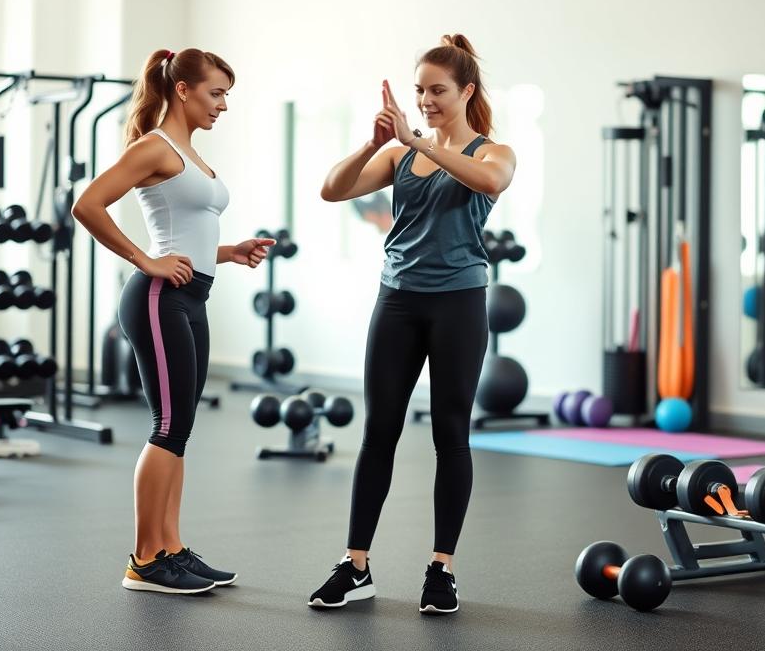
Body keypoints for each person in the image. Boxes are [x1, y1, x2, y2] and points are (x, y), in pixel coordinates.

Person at [310, 34, 516, 614]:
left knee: (451, 434)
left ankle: (441, 568)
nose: (425, 99)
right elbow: (332, 189)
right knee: (380, 432)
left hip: (458, 304)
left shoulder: (492, 151)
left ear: (466, 91)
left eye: (438, 90)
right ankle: (356, 566)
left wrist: (417, 139)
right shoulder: (402, 154)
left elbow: (490, 183)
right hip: (397, 301)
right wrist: (374, 144)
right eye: (419, 89)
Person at [73, 48, 273, 595]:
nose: (223, 105)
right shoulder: (153, 148)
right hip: (159, 297)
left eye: (226, 94)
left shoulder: (187, 152)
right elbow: (88, 205)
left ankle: (171, 549)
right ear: (182, 90)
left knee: (179, 426)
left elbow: (187, 229)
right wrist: (146, 260)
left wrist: (230, 251)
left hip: (191, 296)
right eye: (216, 93)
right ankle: (143, 561)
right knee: (166, 426)